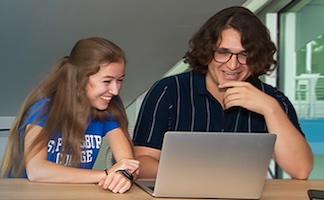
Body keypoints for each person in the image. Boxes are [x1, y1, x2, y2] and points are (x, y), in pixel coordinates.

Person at [132, 6, 313, 180]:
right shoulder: (168, 91)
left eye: (244, 54)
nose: (232, 65)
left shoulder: (272, 99)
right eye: (223, 52)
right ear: (207, 52)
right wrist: (200, 180)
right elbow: (143, 161)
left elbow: (300, 170)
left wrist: (270, 109)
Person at [1, 37, 139, 193]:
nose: (115, 91)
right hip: (26, 194)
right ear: (79, 78)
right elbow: (36, 170)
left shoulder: (110, 106)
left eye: (119, 80)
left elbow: (127, 164)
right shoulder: (44, 107)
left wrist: (124, 175)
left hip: (70, 194)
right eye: (107, 81)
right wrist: (106, 174)